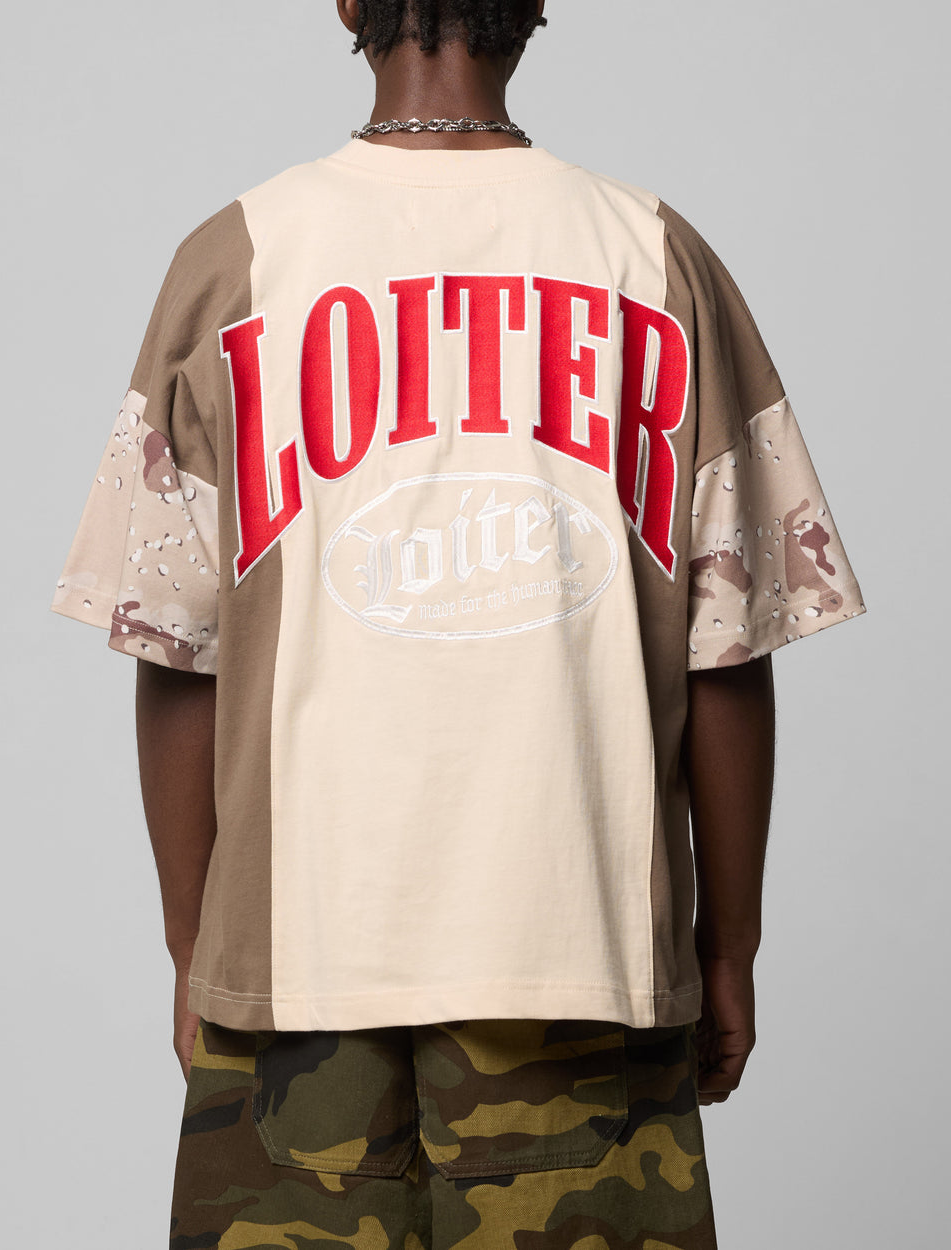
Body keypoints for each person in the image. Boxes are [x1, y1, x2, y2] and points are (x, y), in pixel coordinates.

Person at [50, 1, 867, 1245]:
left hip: (295, 960)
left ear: (346, 3)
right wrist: (729, 946)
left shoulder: (233, 257)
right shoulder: (654, 255)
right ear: (535, 2)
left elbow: (171, 647)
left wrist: (194, 946)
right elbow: (727, 650)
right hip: (583, 945)